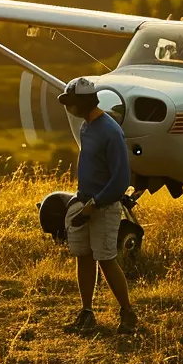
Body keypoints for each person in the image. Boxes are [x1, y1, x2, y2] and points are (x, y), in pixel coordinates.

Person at [59, 78, 139, 334]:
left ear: (81, 102)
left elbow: (121, 179)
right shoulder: (86, 126)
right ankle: (86, 312)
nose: (69, 108)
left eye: (71, 103)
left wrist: (96, 203)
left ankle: (127, 313)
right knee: (83, 257)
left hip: (103, 207)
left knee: (106, 260)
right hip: (85, 202)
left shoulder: (110, 131)